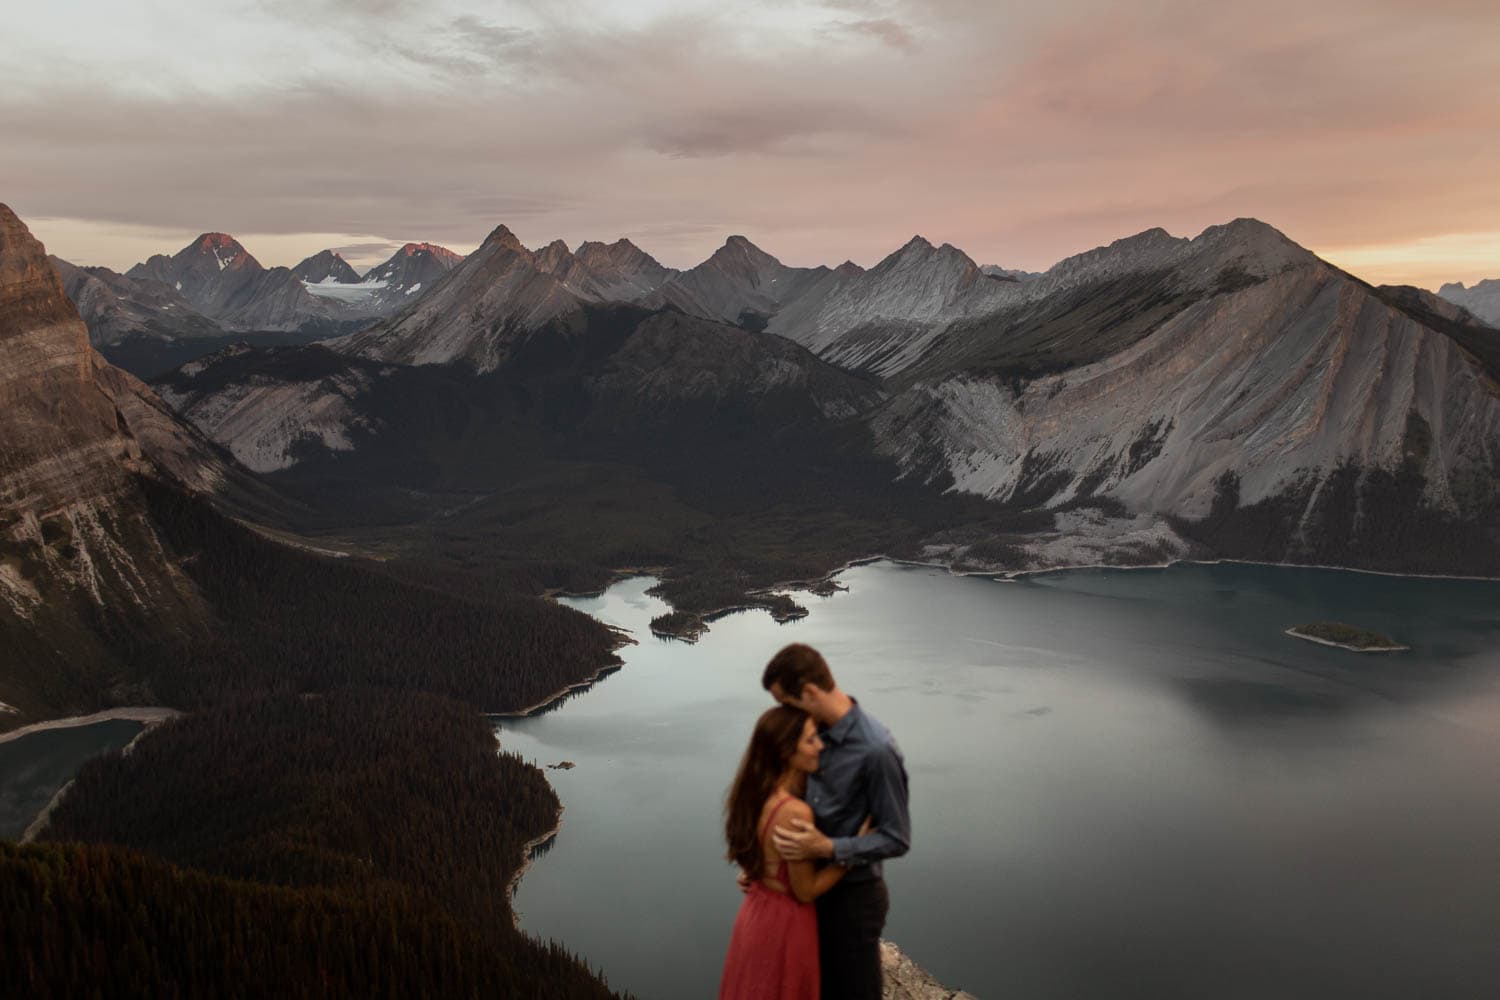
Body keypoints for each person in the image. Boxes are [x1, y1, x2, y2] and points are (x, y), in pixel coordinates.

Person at [764, 643, 911, 1000]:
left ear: (811, 692)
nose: (784, 713)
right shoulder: (816, 738)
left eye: (787, 702)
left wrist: (828, 847)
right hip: (812, 891)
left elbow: (897, 837)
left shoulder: (874, 750)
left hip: (853, 902)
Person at [720, 705, 852, 999]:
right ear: (785, 751)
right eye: (810, 740)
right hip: (786, 926)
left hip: (756, 914)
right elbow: (805, 890)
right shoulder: (795, 812)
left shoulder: (757, 793)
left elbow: (765, 856)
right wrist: (849, 855)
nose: (820, 745)